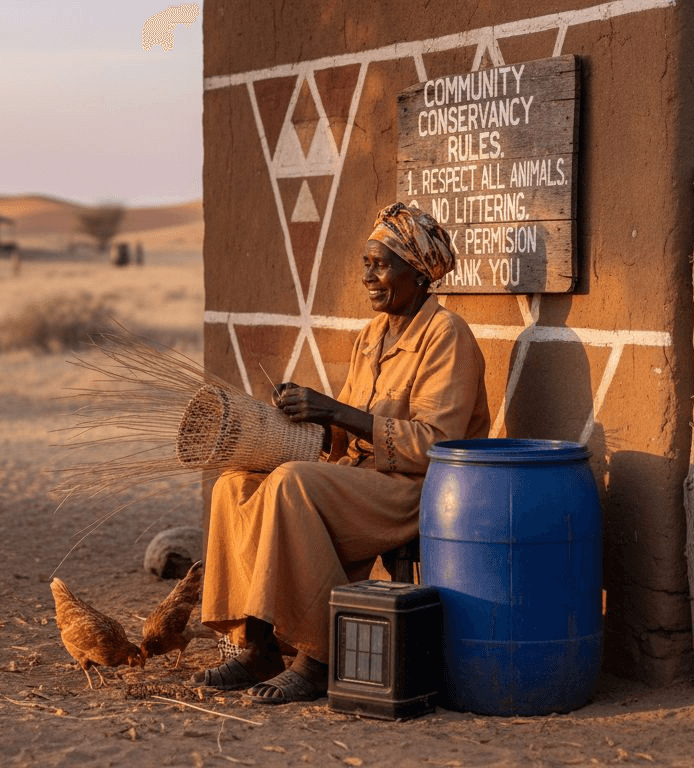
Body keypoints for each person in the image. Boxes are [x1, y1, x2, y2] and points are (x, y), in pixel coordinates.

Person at [192, 202, 491, 704]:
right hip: (359, 477)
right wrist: (304, 418)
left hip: (417, 489)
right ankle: (256, 643)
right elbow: (347, 433)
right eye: (365, 263)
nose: (367, 275)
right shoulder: (371, 336)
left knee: (293, 483)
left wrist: (335, 410)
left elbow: (436, 445)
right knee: (235, 483)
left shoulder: (447, 335)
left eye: (380, 264)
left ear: (418, 271)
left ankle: (319, 656)